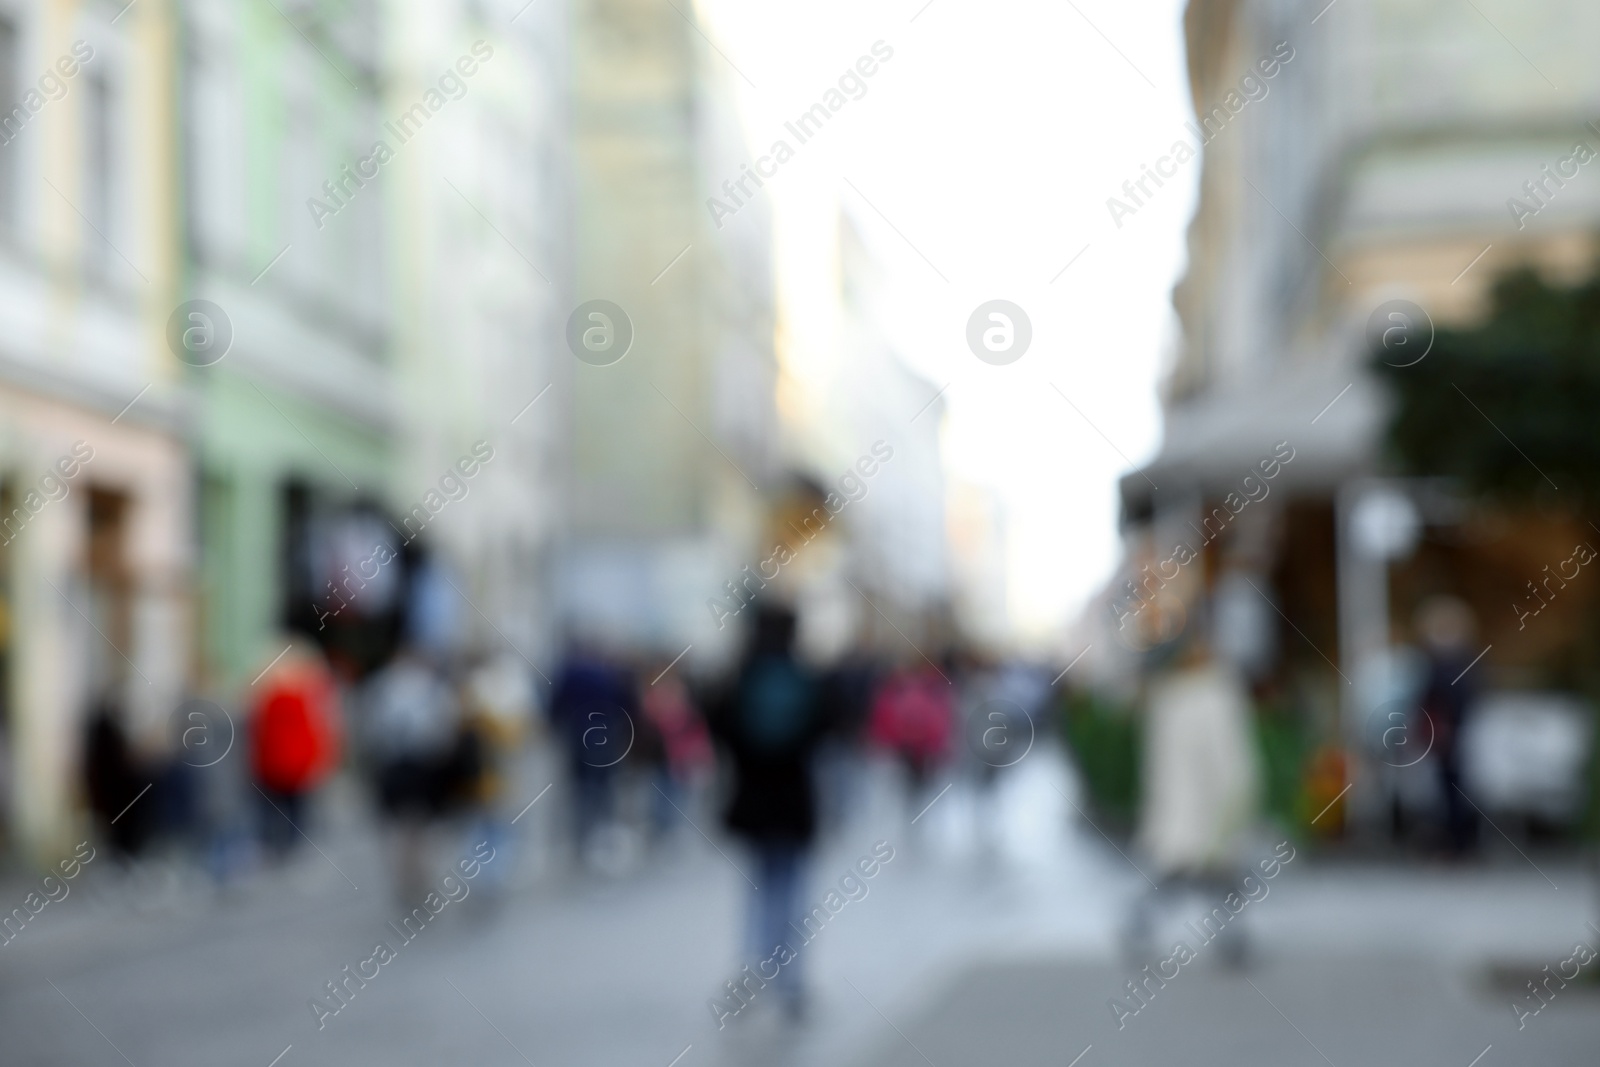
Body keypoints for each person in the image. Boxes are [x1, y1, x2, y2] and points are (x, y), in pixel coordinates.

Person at [710, 604, 827, 1021]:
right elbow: (825, 731)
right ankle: (791, 983)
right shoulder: (807, 678)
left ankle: (751, 973)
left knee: (757, 889)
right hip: (795, 801)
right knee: (792, 892)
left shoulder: (740, 678)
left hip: (752, 802)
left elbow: (719, 731)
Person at [1125, 625, 1261, 966]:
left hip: (1179, 811)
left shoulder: (1167, 699)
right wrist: (1241, 799)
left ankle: (1142, 923)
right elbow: (1231, 760)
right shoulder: (1216, 696)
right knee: (1210, 879)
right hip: (1209, 809)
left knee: (1187, 877)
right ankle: (1230, 941)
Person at [361, 645, 459, 900]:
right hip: (421, 767)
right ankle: (416, 871)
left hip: (396, 766)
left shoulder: (383, 686)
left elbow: (370, 729)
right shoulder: (432, 688)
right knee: (419, 824)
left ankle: (406, 872)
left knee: (400, 825)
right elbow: (444, 730)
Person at [249, 641, 342, 862]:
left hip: (271, 766)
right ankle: (291, 847)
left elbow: (258, 735)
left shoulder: (267, 700)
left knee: (273, 810)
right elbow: (315, 734)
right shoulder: (302, 699)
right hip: (295, 767)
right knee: (295, 811)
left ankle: (273, 846)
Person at [548, 638, 637, 866]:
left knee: (583, 785)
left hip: (580, 733)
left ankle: (584, 835)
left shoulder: (572, 672)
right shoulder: (610, 673)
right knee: (604, 784)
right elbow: (627, 704)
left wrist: (555, 725)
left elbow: (557, 704)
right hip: (605, 733)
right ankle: (602, 832)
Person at [1415, 596, 1479, 857]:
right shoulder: (1449, 662)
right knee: (1448, 788)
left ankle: (1458, 844)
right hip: (1447, 733)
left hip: (1452, 733)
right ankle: (1456, 843)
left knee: (1453, 790)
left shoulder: (1452, 664)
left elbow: (1439, 696)